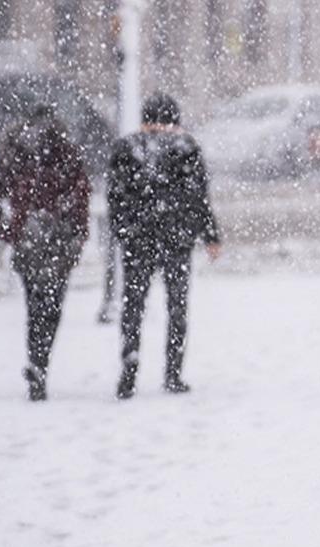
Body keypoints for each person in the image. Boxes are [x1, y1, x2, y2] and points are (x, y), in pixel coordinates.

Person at [0, 104, 91, 401]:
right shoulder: (66, 153)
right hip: (59, 240)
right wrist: (77, 234)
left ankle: (37, 362)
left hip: (28, 239)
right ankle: (41, 362)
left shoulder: (15, 153)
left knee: (35, 305)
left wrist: (9, 229)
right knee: (52, 307)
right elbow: (81, 197)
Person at [107, 93, 221, 399]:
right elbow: (198, 198)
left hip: (138, 240)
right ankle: (173, 372)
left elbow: (115, 197)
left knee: (133, 305)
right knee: (177, 307)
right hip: (176, 240)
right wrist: (210, 235)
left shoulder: (125, 148)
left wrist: (124, 231)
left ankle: (129, 361)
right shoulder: (186, 148)